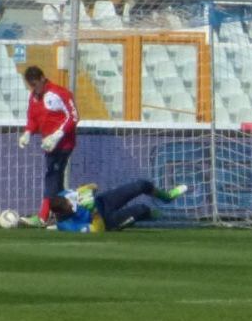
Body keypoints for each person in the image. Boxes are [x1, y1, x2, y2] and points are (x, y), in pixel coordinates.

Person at [18, 65, 78, 217]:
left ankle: (43, 216)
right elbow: (32, 118)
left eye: (34, 84)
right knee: (56, 178)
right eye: (30, 85)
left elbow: (74, 117)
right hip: (48, 145)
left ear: (42, 79)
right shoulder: (34, 97)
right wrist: (28, 132)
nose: (33, 88)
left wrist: (57, 135)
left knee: (52, 175)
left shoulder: (59, 93)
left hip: (64, 144)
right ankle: (64, 215)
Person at [24, 179, 191, 232]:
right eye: (70, 206)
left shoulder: (64, 195)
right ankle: (151, 215)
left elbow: (93, 186)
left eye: (71, 201)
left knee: (141, 185)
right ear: (64, 211)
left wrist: (87, 190)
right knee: (142, 210)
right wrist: (94, 212)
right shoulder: (67, 225)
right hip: (106, 221)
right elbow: (98, 230)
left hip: (104, 201)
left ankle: (167, 197)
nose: (73, 204)